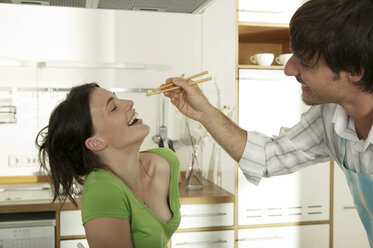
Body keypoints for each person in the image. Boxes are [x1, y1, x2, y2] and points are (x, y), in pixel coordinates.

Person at [162, 0, 373, 246]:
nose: (289, 69)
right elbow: (267, 157)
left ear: (355, 71)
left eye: (305, 62)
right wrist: (205, 112)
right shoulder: (332, 115)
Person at [36, 83, 181, 248]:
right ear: (96, 142)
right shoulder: (102, 192)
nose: (129, 102)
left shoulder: (165, 163)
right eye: (113, 108)